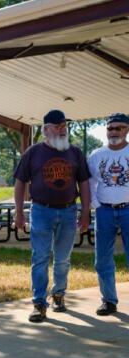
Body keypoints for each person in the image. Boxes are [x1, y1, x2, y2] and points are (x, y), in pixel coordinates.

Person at [14, 109, 91, 323]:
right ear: (46, 130)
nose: (62, 130)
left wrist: (86, 213)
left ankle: (58, 295)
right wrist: (19, 212)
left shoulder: (75, 153)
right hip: (41, 210)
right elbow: (20, 182)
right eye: (58, 127)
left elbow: (84, 183)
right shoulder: (33, 153)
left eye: (64, 126)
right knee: (39, 257)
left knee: (63, 259)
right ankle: (39, 303)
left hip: (68, 211)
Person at [87, 112, 129, 316]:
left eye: (119, 127)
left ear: (127, 129)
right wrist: (96, 204)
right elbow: (90, 182)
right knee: (102, 258)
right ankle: (109, 300)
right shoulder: (97, 155)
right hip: (105, 211)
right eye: (110, 128)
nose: (113, 131)